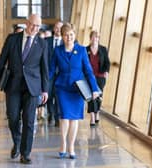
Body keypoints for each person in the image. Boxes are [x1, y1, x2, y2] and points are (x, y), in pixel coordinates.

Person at [0, 14, 49, 164]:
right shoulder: (12, 39)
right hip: (13, 86)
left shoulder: (42, 43)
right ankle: (17, 141)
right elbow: (1, 62)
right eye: (33, 25)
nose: (35, 28)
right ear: (27, 23)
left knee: (29, 120)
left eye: (38, 26)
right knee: (13, 117)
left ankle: (25, 153)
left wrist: (45, 90)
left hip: (33, 88)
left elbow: (45, 68)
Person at [49, 23, 99, 159]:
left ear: (74, 35)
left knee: (74, 119)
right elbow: (51, 70)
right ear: (62, 36)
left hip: (77, 90)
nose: (69, 37)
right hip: (63, 89)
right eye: (66, 35)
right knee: (64, 117)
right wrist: (43, 86)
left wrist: (94, 89)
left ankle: (71, 146)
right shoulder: (57, 51)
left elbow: (88, 71)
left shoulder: (82, 50)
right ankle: (63, 144)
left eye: (71, 35)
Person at [86, 30, 110, 127]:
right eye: (93, 37)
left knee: (99, 96)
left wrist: (106, 71)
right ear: (90, 38)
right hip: (90, 76)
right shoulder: (85, 49)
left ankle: (97, 113)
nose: (95, 39)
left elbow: (107, 62)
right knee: (91, 96)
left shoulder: (103, 49)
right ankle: (92, 117)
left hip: (100, 76)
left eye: (97, 37)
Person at [45, 20, 63, 127]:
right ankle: (50, 114)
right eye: (56, 27)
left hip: (60, 74)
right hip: (49, 74)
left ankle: (57, 118)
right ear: (53, 29)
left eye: (60, 28)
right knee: (49, 95)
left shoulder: (65, 42)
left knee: (58, 96)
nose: (58, 30)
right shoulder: (46, 41)